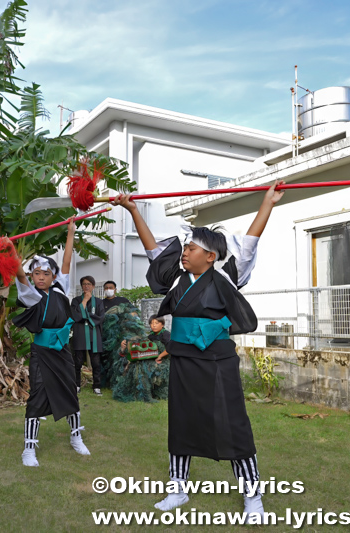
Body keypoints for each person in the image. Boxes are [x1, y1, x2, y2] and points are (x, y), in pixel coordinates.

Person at [114, 180, 284, 522]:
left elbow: (250, 241)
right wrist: (133, 210)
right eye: (185, 247)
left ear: (210, 256)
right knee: (182, 422)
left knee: (233, 423)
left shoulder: (228, 276)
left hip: (218, 360)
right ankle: (178, 488)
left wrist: (268, 202)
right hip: (185, 359)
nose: (184, 252)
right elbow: (152, 250)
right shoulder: (177, 280)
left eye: (191, 248)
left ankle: (253, 496)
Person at [8, 220, 91, 467]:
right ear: (32, 276)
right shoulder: (30, 295)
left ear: (53, 275)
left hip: (62, 351)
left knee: (70, 392)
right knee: (37, 396)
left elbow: (66, 260)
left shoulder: (61, 287)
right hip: (42, 352)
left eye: (46, 273)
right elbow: (19, 273)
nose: (41, 277)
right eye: (37, 273)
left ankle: (76, 437)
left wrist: (70, 233)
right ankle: (29, 449)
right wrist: (11, 250)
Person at [70, 276, 104, 396]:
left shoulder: (99, 302)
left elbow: (100, 318)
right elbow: (76, 316)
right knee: (77, 362)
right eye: (84, 284)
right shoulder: (75, 301)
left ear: (93, 286)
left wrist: (85, 315)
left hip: (94, 335)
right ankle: (77, 385)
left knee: (96, 362)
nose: (86, 286)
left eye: (89, 284)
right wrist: (84, 301)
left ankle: (97, 386)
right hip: (80, 334)